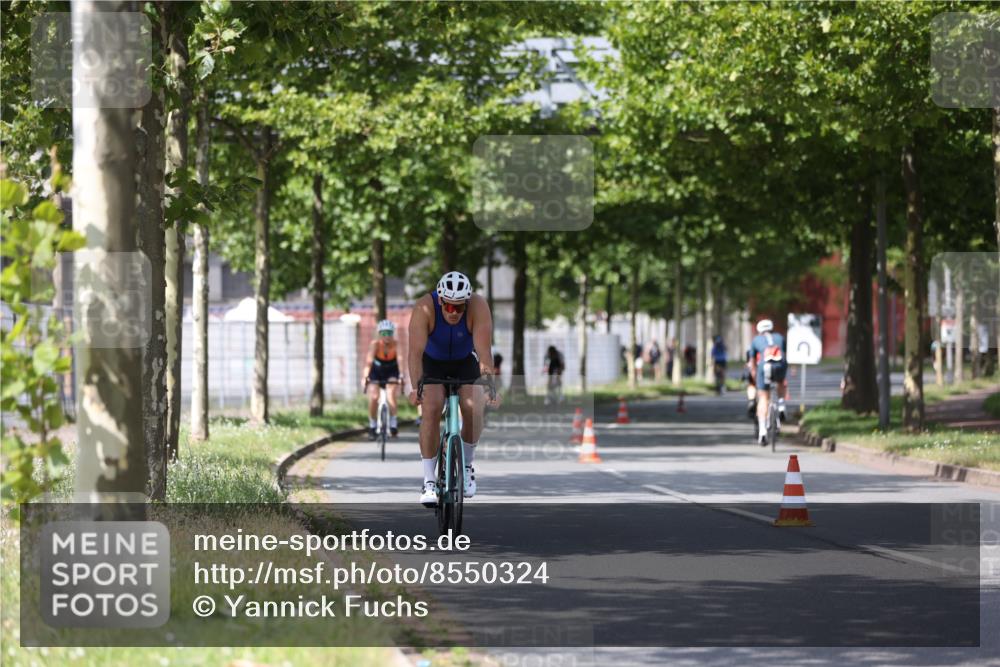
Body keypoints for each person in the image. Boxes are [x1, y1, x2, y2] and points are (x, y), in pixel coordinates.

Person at [408, 271, 498, 506]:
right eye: (449, 307)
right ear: (440, 300)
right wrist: (416, 387)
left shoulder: (478, 306)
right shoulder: (424, 308)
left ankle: (467, 467)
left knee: (473, 407)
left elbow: (484, 351)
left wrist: (489, 385)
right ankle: (429, 480)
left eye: (459, 308)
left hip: (464, 361)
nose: (454, 313)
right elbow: (415, 354)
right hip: (432, 362)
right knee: (432, 407)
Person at [746, 318, 788, 446]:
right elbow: (784, 354)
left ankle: (763, 432)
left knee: (763, 397)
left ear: (759, 331)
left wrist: (754, 374)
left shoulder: (756, 340)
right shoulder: (779, 337)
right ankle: (781, 405)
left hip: (764, 366)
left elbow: (752, 361)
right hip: (780, 364)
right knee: (781, 382)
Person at [362, 319, 404, 439]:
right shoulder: (375, 344)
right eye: (384, 333)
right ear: (379, 334)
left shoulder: (396, 345)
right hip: (376, 371)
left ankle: (393, 423)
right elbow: (368, 362)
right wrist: (365, 376)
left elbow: (400, 361)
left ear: (393, 334)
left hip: (392, 371)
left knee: (391, 393)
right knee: (374, 397)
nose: (387, 336)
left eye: (389, 333)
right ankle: (372, 425)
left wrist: (401, 375)